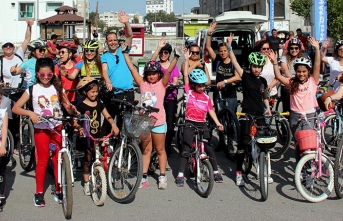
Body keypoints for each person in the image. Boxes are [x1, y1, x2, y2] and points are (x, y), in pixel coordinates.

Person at [12, 57, 77, 207]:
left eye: (49, 75)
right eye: (42, 75)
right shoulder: (32, 89)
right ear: (37, 74)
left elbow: (67, 105)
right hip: (41, 129)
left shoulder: (58, 88)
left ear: (53, 74)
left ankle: (59, 189)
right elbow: (16, 108)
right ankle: (39, 192)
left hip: (57, 127)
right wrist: (30, 114)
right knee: (42, 161)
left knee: (57, 160)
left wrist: (71, 109)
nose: (46, 78)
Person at [123, 43, 181, 189]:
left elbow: (168, 72)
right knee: (146, 150)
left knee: (160, 149)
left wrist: (177, 57)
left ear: (158, 74)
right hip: (144, 121)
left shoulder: (162, 84)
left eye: (154, 73)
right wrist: (125, 54)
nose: (151, 76)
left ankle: (162, 176)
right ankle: (143, 177)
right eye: (148, 73)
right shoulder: (142, 84)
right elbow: (131, 69)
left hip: (159, 120)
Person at [227, 33, 272, 186]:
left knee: (262, 142)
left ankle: (263, 169)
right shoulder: (245, 77)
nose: (257, 70)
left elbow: (265, 96)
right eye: (254, 67)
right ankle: (239, 172)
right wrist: (229, 47)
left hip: (260, 114)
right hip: (247, 113)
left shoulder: (264, 81)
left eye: (259, 67)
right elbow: (234, 61)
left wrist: (268, 109)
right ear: (250, 66)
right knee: (243, 143)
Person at [175, 48, 224, 187]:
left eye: (203, 85)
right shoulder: (189, 92)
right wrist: (185, 59)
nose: (202, 88)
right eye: (199, 85)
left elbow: (211, 111)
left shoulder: (207, 98)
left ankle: (215, 171)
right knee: (186, 149)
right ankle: (180, 174)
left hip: (202, 124)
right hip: (190, 123)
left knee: (208, 148)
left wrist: (218, 123)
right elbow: (185, 75)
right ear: (193, 85)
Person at [268, 37, 320, 162]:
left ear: (308, 72)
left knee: (309, 146)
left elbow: (317, 65)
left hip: (310, 115)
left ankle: (309, 171)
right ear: (295, 72)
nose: (301, 74)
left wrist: (317, 49)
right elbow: (279, 76)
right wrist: (275, 62)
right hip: (295, 116)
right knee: (298, 144)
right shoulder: (291, 83)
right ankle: (300, 168)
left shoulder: (313, 81)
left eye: (304, 72)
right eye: (299, 72)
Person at [72, 77, 119, 196]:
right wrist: (79, 128)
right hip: (86, 137)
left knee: (102, 156)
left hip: (98, 136)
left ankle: (103, 177)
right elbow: (75, 121)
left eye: (96, 91)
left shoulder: (99, 104)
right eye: (92, 91)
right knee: (87, 160)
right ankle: (87, 183)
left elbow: (107, 116)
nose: (95, 94)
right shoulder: (81, 106)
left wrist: (113, 125)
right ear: (85, 92)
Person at [205, 22, 241, 155]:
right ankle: (221, 142)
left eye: (225, 51)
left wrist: (225, 81)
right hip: (218, 94)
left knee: (230, 120)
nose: (223, 53)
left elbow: (238, 76)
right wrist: (210, 33)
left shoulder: (232, 62)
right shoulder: (218, 60)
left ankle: (230, 143)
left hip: (230, 94)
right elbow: (208, 47)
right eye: (221, 51)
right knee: (219, 118)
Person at [0, 19, 33, 154]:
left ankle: (17, 143)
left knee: (19, 116)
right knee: (5, 115)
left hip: (21, 89)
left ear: (13, 47)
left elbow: (26, 40)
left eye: (10, 46)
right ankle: (6, 140)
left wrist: (29, 26)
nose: (8, 48)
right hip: (7, 92)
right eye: (5, 47)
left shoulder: (19, 55)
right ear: (3, 48)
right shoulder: (1, 61)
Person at [101, 11, 133, 135]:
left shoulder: (123, 50)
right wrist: (108, 81)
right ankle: (104, 145)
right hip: (114, 92)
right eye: (110, 40)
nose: (113, 42)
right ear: (107, 42)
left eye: (115, 40)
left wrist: (126, 23)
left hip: (128, 92)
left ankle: (125, 148)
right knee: (109, 120)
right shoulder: (105, 56)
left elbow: (129, 36)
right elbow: (104, 70)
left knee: (126, 122)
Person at [150, 38, 180, 157]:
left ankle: (167, 144)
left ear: (169, 54)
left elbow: (176, 81)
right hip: (156, 99)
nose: (163, 55)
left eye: (166, 52)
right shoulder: (156, 65)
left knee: (170, 125)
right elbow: (151, 62)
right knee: (153, 122)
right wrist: (158, 47)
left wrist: (171, 85)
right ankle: (154, 146)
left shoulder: (174, 67)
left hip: (169, 98)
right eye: (162, 52)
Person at [279, 38, 304, 114]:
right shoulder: (284, 58)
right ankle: (285, 123)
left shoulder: (302, 59)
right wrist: (294, 81)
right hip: (288, 85)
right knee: (288, 110)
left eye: (296, 48)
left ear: (299, 49)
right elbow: (285, 70)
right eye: (292, 48)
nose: (294, 50)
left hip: (300, 85)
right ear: (289, 49)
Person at [0, 88, 9, 210]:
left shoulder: (3, 112)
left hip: (0, 143)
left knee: (1, 170)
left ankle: (1, 193)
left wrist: (2, 146)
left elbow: (4, 129)